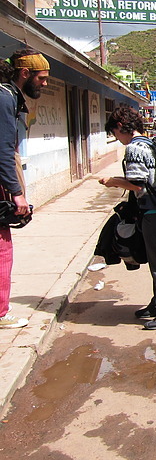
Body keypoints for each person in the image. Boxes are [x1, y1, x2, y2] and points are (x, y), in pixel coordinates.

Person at [100, 106, 156, 330]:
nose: (117, 139)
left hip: (154, 212)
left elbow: (137, 184)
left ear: (120, 127)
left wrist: (113, 181)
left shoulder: (135, 149)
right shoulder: (149, 143)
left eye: (115, 134)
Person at [0, 48, 50, 328]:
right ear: (24, 73)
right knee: (2, 249)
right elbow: (3, 151)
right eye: (41, 78)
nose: (44, 84)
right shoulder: (5, 97)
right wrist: (16, 194)